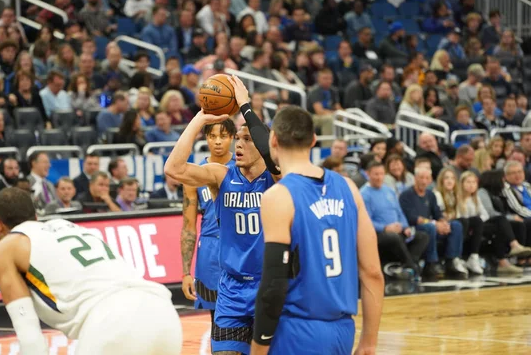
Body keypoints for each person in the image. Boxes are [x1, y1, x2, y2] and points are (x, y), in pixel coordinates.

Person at [249, 106, 383, 355]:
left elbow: (273, 285)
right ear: (313, 140)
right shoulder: (349, 188)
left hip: (297, 331)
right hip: (342, 331)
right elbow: (373, 272)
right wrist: (369, 341)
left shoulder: (278, 196)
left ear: (274, 139)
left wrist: (258, 348)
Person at [0, 188, 182, 354]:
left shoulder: (4, 249)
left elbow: (31, 341)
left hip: (112, 323)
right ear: (35, 216)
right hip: (163, 313)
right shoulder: (69, 226)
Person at [165, 75, 280, 354]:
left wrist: (244, 106)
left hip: (270, 288)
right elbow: (174, 169)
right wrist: (200, 119)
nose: (238, 144)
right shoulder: (221, 175)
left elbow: (272, 154)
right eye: (237, 138)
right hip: (231, 290)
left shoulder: (277, 179)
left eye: (247, 139)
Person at [181, 118, 236, 323]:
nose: (218, 142)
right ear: (206, 138)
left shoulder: (243, 167)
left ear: (232, 137)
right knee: (218, 322)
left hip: (239, 246)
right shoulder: (195, 174)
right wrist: (186, 272)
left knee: (249, 321)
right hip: (210, 251)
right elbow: (188, 227)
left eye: (223, 136)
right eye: (213, 136)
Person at [362, 161, 429, 279]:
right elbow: (365, 221)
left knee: (422, 236)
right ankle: (412, 268)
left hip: (397, 230)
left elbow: (399, 212)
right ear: (368, 174)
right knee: (393, 237)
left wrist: (405, 227)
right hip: (378, 234)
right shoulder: (364, 194)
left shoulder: (389, 190)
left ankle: (403, 267)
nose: (379, 177)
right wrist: (385, 228)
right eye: (376, 174)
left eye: (382, 174)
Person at [400, 167, 468, 280]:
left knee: (456, 225)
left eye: (427, 178)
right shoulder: (406, 195)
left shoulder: (430, 195)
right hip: (414, 229)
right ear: (415, 178)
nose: (424, 181)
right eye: (421, 178)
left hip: (431, 226)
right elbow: (411, 218)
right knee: (430, 227)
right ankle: (431, 264)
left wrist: (443, 224)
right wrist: (435, 223)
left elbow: (437, 214)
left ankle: (451, 261)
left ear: (430, 180)